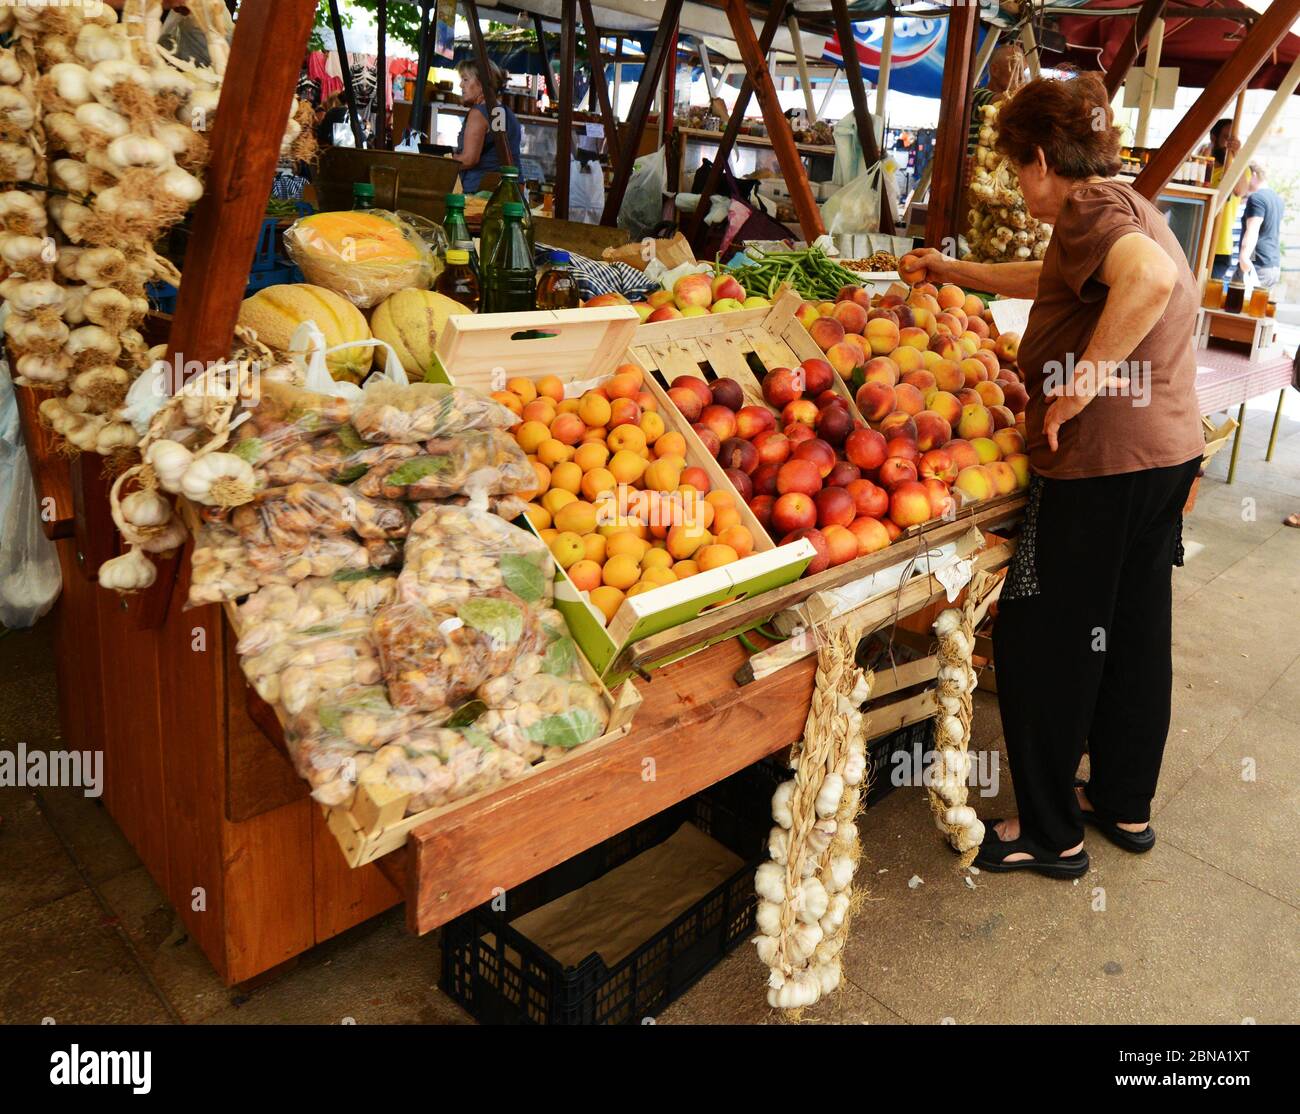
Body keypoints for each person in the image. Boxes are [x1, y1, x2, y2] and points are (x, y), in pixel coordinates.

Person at [907, 73, 1203, 878]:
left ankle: (1049, 833)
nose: (1019, 188)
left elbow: (1149, 282)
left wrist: (1078, 386)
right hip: (1165, 457)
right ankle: (1122, 803)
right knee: (1135, 633)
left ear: (1041, 159)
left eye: (1016, 170)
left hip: (1104, 463)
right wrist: (952, 271)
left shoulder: (1087, 209)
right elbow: (1051, 280)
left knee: (1047, 637)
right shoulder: (1127, 203)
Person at [452, 59, 523, 193]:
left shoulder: (478, 113)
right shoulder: (506, 112)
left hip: (480, 192)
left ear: (482, 84)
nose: (461, 85)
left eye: (466, 79)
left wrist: (442, 163)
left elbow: (469, 159)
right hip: (511, 188)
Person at [1199, 119, 1248, 280]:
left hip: (1219, 247)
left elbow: (1240, 190)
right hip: (1197, 240)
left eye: (1234, 139)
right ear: (1213, 137)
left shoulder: (1238, 169)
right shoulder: (1203, 165)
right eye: (1227, 138)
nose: (1231, 144)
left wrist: (1237, 155)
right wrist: (1203, 161)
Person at [967, 44, 1026, 156]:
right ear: (994, 70)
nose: (1021, 76)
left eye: (1023, 70)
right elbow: (1000, 101)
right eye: (1015, 68)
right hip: (971, 170)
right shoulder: (975, 95)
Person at [1235, 160, 1284, 289]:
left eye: (1246, 175)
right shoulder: (1277, 198)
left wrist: (1244, 256)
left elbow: (1253, 230)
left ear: (1254, 175)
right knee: (1259, 307)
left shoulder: (1256, 198)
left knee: (1236, 303)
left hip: (1257, 264)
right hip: (1272, 265)